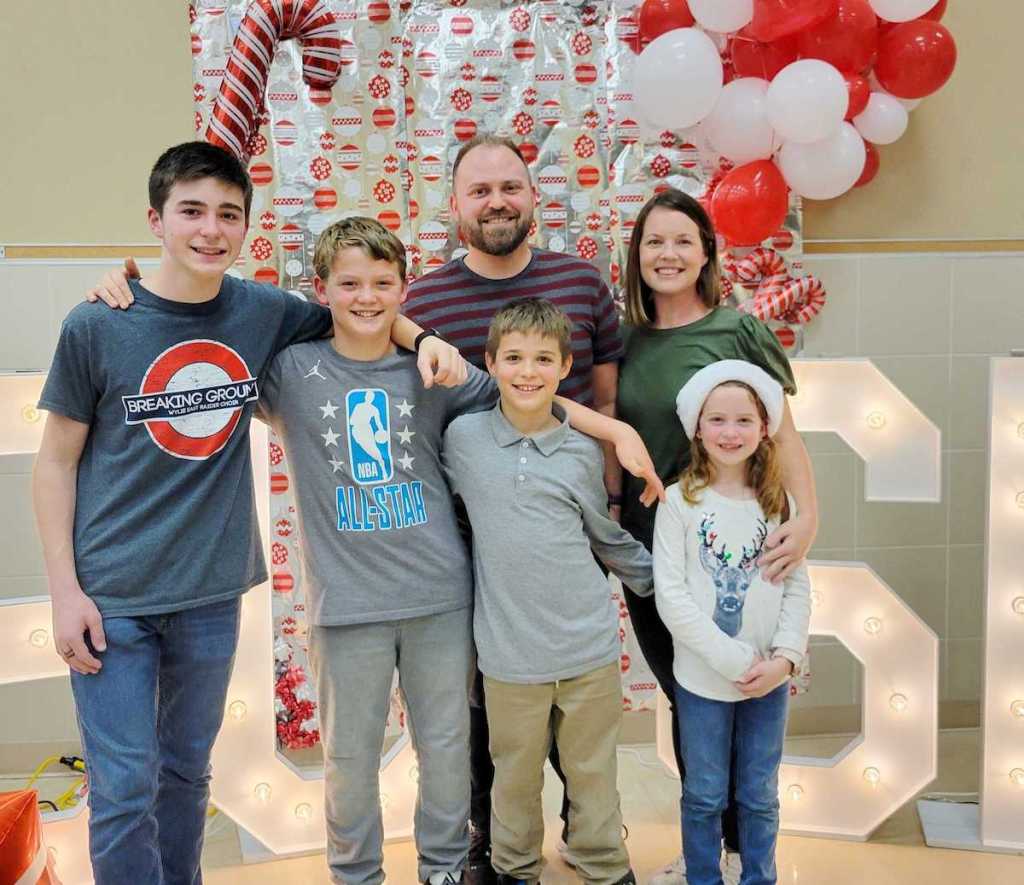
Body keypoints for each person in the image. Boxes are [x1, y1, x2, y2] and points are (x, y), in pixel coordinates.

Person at [36, 141, 461, 885]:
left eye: (228, 214)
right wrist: (65, 592)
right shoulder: (98, 323)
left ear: (245, 227)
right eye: (191, 211)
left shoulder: (263, 312)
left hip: (210, 593)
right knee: (124, 785)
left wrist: (422, 334)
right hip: (112, 596)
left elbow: (362, 309)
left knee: (186, 777)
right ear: (155, 220)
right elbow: (55, 461)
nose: (210, 229)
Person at [257, 219, 661, 885]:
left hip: (442, 599)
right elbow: (218, 327)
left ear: (404, 289)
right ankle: (356, 873)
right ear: (321, 289)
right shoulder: (292, 371)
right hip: (345, 605)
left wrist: (613, 428)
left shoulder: (435, 370)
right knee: (350, 757)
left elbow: (530, 399)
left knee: (446, 750)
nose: (366, 296)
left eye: (383, 283)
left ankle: (444, 871)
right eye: (349, 283)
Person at [403, 134, 630, 883]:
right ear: (457, 206)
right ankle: (495, 851)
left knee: (583, 723)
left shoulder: (580, 281)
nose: (497, 201)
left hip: (561, 531)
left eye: (511, 186)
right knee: (492, 724)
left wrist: (611, 499)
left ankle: (592, 843)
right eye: (480, 190)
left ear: (534, 195)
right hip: (464, 553)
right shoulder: (426, 300)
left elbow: (602, 397)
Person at [613, 189, 818, 885]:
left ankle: (742, 851)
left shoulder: (738, 330)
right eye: (653, 243)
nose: (667, 255)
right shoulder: (622, 339)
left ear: (706, 252)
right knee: (688, 691)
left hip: (733, 541)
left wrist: (807, 516)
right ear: (635, 257)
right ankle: (706, 850)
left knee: (746, 690)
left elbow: (784, 433)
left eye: (681, 241)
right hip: (653, 549)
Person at [442, 298, 652, 885]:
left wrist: (662, 583)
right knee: (513, 774)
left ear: (564, 369)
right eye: (512, 358)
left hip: (587, 648)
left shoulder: (584, 451)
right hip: (509, 657)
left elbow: (603, 535)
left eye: (542, 359)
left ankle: (602, 861)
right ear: (490, 364)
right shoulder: (462, 439)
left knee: (592, 772)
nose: (527, 371)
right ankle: (514, 868)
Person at [652, 360, 811, 885]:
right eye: (717, 420)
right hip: (702, 683)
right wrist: (736, 660)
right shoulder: (679, 504)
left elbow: (797, 586)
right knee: (704, 794)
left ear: (765, 429)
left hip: (769, 683)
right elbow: (673, 598)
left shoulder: (779, 505)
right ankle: (703, 877)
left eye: (744, 420)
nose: (730, 432)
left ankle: (758, 877)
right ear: (697, 427)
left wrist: (784, 660)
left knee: (760, 794)